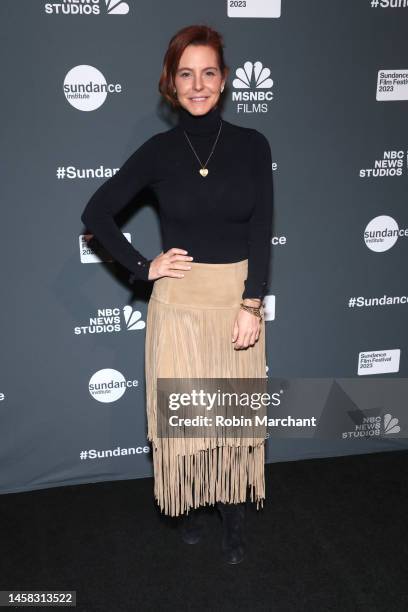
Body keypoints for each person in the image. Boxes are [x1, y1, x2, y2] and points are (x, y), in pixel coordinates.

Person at [81, 24, 273, 565]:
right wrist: (146, 267)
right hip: (180, 304)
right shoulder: (160, 151)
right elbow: (96, 213)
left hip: (234, 301)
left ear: (224, 79)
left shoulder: (253, 146)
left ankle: (232, 515)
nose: (197, 84)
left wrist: (252, 304)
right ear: (171, 83)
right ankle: (188, 505)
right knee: (186, 417)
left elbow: (262, 228)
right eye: (185, 74)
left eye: (207, 72)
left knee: (231, 420)